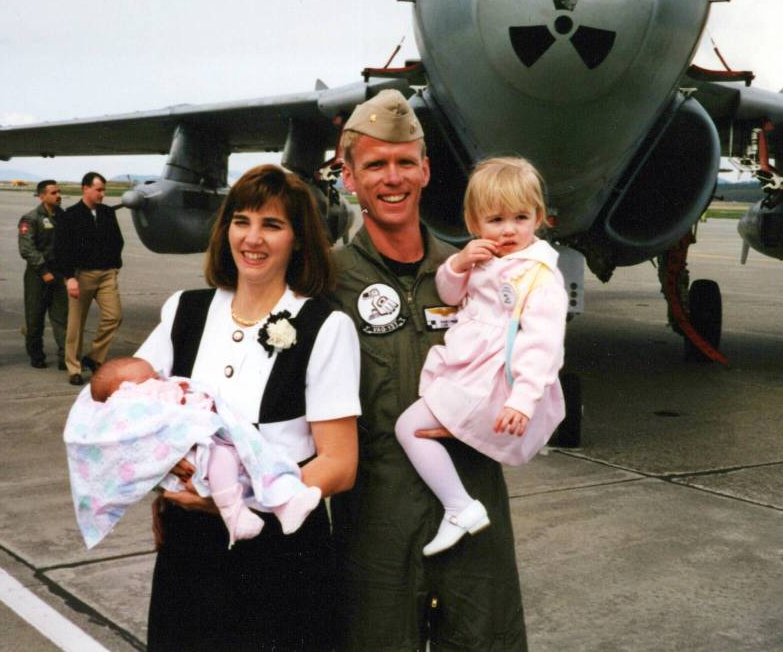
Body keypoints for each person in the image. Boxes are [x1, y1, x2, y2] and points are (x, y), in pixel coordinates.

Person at [130, 164, 360, 651]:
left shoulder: (325, 325)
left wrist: (241, 496)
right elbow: (131, 409)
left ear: (298, 239)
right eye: (242, 221)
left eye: (272, 225)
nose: (252, 238)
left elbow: (340, 464)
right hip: (190, 547)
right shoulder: (184, 311)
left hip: (282, 550)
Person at [331, 89, 529, 650]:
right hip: (376, 523)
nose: (391, 178)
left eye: (403, 163)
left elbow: (530, 363)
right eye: (374, 165)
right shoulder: (329, 280)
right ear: (350, 177)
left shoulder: (480, 270)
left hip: (472, 509)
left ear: (425, 170)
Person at [394, 156, 568, 557]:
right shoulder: (484, 259)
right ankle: (459, 505)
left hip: (492, 380)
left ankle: (459, 507)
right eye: (495, 220)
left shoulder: (539, 276)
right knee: (416, 427)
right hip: (469, 368)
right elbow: (450, 295)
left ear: (538, 217)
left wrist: (522, 400)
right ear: (474, 224)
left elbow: (543, 345)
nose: (508, 230)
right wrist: (458, 264)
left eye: (521, 217)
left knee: (408, 427)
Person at [65, 356, 323, 549]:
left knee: (259, 458)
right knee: (224, 458)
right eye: (150, 378)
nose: (159, 378)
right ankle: (235, 513)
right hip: (201, 457)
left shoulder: (145, 379)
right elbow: (108, 416)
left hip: (218, 441)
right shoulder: (131, 396)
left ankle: (284, 503)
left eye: (156, 375)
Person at [53, 172, 124, 386]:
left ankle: (93, 357)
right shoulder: (70, 215)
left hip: (106, 274)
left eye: (104, 190)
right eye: (98, 189)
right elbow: (61, 249)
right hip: (81, 276)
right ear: (85, 188)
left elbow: (117, 241)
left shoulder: (107, 213)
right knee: (76, 325)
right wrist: (69, 278)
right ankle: (73, 368)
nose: (102, 194)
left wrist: (114, 265)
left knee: (114, 316)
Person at [18, 180, 68, 369]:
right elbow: (27, 249)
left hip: (59, 273)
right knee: (35, 318)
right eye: (54, 193)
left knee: (62, 318)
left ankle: (65, 357)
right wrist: (43, 271)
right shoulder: (30, 219)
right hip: (37, 275)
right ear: (42, 196)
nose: (58, 195)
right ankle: (36, 356)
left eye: (59, 192)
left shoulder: (63, 217)